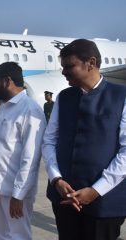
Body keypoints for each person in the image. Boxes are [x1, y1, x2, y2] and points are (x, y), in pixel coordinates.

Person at [42, 39, 126, 240]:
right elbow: (49, 141)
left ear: (91, 62)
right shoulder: (64, 97)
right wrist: (56, 179)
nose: (63, 72)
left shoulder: (121, 96)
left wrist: (96, 190)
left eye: (69, 66)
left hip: (105, 201)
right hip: (64, 198)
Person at [0, 62, 46, 240]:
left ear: (8, 81)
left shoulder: (30, 110)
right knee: (0, 234)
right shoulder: (3, 106)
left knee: (18, 236)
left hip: (14, 191)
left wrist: (19, 195)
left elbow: (30, 159)